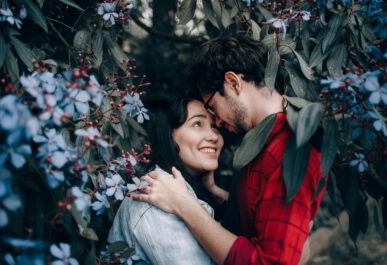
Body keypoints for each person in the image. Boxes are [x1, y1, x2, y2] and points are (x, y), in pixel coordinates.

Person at [133, 35, 325, 265]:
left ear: (233, 82)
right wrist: (212, 191)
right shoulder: (262, 144)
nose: (219, 126)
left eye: (213, 107)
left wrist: (184, 205)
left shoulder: (290, 151)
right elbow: (256, 215)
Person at [108, 97, 228, 265]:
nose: (213, 136)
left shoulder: (186, 194)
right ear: (170, 136)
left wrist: (213, 189)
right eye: (197, 124)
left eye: (215, 127)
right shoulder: (154, 201)